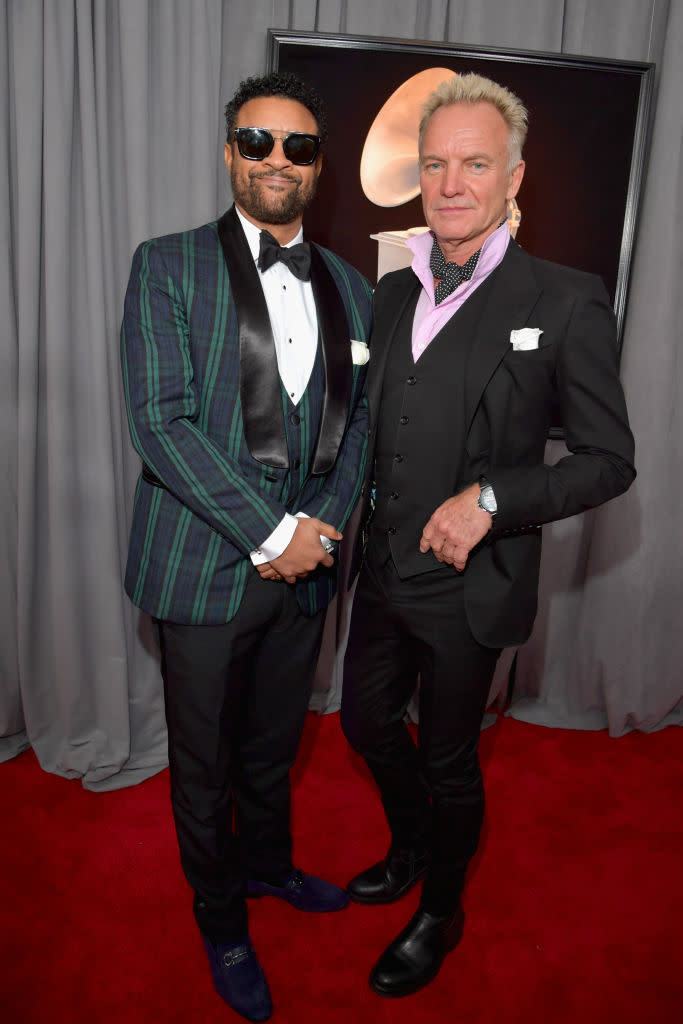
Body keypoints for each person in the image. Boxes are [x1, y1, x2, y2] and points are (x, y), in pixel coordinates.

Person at [340, 72, 635, 999]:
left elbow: (605, 460)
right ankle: (412, 843)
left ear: (514, 177)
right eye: (435, 164)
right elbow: (367, 429)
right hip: (381, 569)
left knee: (447, 757)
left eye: (474, 163)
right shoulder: (390, 290)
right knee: (360, 722)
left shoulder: (567, 298)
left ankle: (442, 910)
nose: (451, 183)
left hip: (472, 583)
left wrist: (493, 502)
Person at [121, 71, 372, 1022]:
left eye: (298, 147)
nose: (277, 159)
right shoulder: (166, 265)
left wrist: (314, 538)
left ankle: (267, 870)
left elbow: (356, 437)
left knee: (274, 748)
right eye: (257, 141)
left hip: (303, 576)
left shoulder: (353, 287)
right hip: (202, 568)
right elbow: (160, 423)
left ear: (318, 166)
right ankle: (221, 918)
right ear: (229, 152)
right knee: (206, 763)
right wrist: (271, 532)